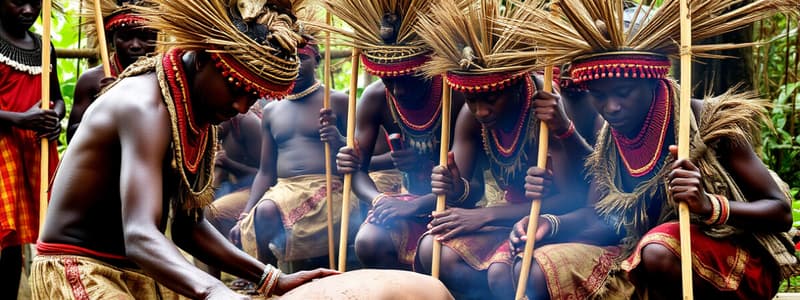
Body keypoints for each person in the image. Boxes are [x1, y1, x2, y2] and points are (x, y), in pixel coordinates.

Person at [30, 1, 338, 299]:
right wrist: (215, 290)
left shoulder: (194, 111)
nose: (242, 107)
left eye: (253, 95)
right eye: (235, 86)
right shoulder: (145, 106)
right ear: (204, 58)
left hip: (138, 272)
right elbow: (138, 235)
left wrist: (271, 279)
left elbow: (188, 228)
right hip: (78, 270)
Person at [504, 1, 800, 299]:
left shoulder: (710, 122)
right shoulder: (610, 140)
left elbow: (780, 212)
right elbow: (600, 218)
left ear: (652, 80)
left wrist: (709, 205)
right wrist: (549, 224)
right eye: (599, 96)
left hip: (732, 262)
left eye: (623, 93)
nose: (611, 107)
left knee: (658, 248)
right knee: (538, 267)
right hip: (642, 256)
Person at [413, 1, 597, 298]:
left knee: (502, 273)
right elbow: (468, 192)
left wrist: (486, 216)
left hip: (553, 221)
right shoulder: (471, 115)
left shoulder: (547, 111)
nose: (481, 111)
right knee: (433, 248)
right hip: (508, 216)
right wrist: (454, 185)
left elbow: (573, 199)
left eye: (491, 99)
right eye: (472, 100)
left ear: (515, 84)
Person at [325, 0, 467, 270]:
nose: (398, 90)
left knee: (436, 252)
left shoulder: (455, 93)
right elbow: (357, 169)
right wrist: (380, 199)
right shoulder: (375, 98)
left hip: (460, 204)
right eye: (389, 80)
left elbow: (467, 185)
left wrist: (414, 206)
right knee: (368, 240)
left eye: (408, 77)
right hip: (407, 196)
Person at [229, 37, 357, 271]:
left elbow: (362, 156)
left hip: (329, 187)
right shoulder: (272, 110)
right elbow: (266, 171)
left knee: (267, 211)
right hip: (283, 190)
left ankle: (271, 280)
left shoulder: (337, 101)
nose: (295, 65)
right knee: (257, 216)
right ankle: (268, 282)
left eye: (302, 58)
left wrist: (338, 141)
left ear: (317, 59)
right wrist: (245, 213)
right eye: (287, 59)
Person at [0, 0, 64, 298]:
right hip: (4, 152)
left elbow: (58, 97)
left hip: (35, 151)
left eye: (35, 3)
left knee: (26, 242)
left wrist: (56, 117)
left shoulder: (43, 45)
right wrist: (20, 119)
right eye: (17, 1)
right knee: (5, 236)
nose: (28, 10)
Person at [67, 0, 156, 142]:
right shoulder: (92, 80)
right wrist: (103, 106)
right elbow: (71, 135)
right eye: (125, 38)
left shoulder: (163, 80)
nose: (135, 45)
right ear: (110, 39)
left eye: (144, 38)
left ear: (156, 39)